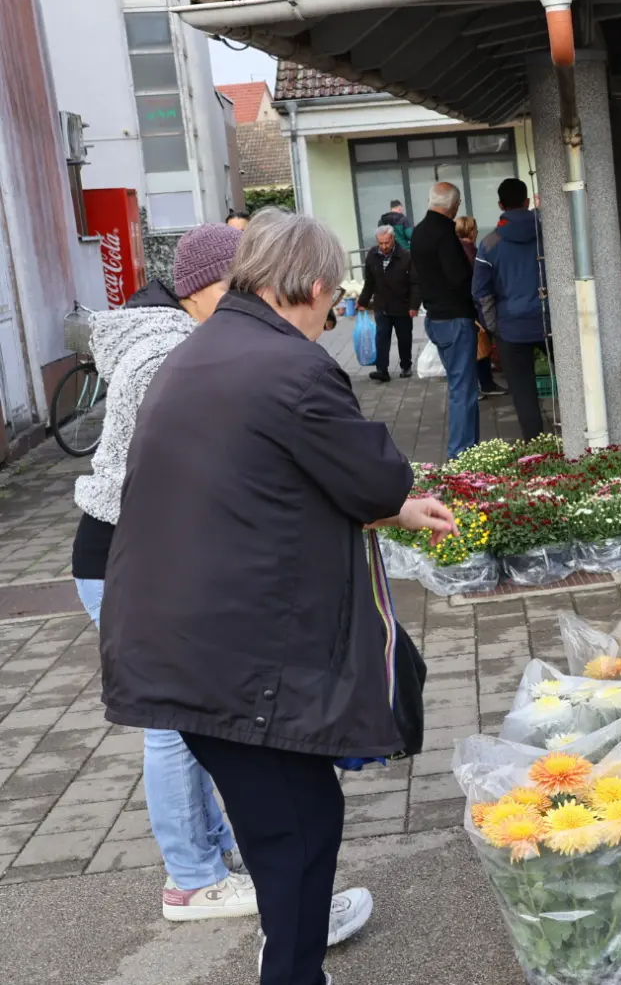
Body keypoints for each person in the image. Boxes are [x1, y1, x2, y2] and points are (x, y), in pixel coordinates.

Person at [100, 213, 457, 985]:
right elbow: (369, 473)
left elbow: (283, 471)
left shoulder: (199, 353)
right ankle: (292, 973)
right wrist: (399, 497)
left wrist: (395, 504)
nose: (330, 317)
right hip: (228, 651)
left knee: (286, 822)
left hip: (170, 640)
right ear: (320, 286)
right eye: (333, 304)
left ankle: (295, 965)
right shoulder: (289, 366)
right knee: (297, 829)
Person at [73, 224, 253, 922]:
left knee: (186, 714)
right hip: (129, 555)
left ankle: (207, 855)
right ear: (210, 286)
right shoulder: (167, 354)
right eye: (245, 287)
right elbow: (178, 474)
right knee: (174, 721)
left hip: (134, 552)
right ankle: (192, 877)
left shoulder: (172, 338)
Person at [474, 178, 549, 436]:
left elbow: (480, 292)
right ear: (527, 202)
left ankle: (537, 448)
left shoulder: (489, 244)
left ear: (500, 205)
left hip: (511, 327)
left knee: (522, 391)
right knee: (574, 380)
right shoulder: (548, 234)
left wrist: (495, 327)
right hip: (551, 322)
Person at [412, 182, 479, 459]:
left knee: (458, 386)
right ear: (454, 205)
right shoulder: (444, 234)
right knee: (463, 390)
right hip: (455, 319)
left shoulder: (418, 232)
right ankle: (462, 454)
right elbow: (459, 278)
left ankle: (469, 448)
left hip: (435, 319)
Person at [454, 215, 505, 400]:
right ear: (471, 230)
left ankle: (480, 385)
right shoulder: (470, 251)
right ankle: (485, 384)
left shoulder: (457, 250)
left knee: (473, 346)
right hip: (475, 305)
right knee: (481, 345)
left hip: (464, 305)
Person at [358, 225, 418, 382]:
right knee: (381, 337)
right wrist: (363, 301)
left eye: (387, 243)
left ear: (393, 239)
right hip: (382, 305)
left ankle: (406, 366)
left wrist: (414, 305)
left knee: (404, 338)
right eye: (381, 243)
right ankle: (382, 369)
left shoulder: (406, 256)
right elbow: (369, 282)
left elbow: (415, 283)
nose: (384, 247)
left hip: (402, 305)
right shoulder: (372, 255)